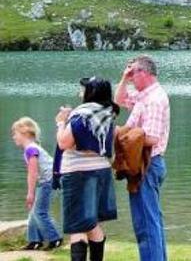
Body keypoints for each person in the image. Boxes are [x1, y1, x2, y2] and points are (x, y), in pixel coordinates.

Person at [55, 77, 120, 261]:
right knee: (92, 223)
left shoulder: (82, 115)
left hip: (78, 174)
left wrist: (61, 122)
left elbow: (64, 143)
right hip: (102, 172)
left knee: (77, 226)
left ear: (91, 93)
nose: (79, 93)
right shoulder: (108, 114)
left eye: (83, 89)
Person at [114, 55, 170, 261]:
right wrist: (124, 79)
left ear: (144, 73)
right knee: (148, 221)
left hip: (148, 164)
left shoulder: (154, 100)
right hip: (143, 165)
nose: (131, 76)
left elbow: (152, 137)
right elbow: (118, 101)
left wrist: (122, 136)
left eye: (133, 72)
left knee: (146, 223)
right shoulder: (144, 95)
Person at [10, 117, 63, 251]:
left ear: (25, 133)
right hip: (45, 182)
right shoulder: (32, 148)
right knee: (33, 212)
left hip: (48, 182)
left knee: (40, 212)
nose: (13, 137)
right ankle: (34, 241)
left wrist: (30, 193)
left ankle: (55, 238)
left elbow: (32, 173)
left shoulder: (30, 150)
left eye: (15, 133)